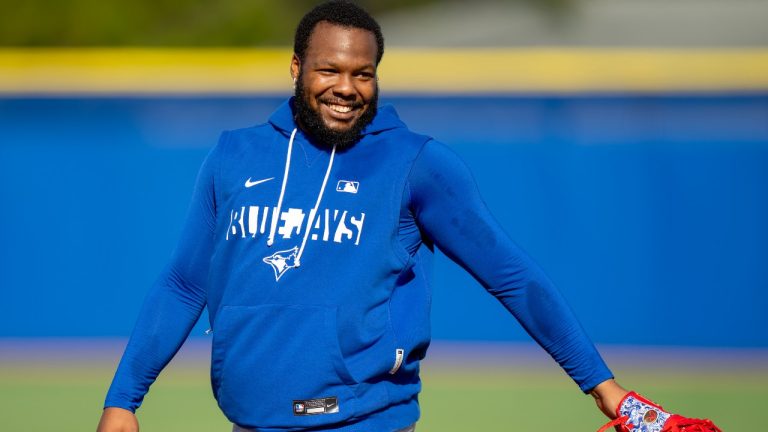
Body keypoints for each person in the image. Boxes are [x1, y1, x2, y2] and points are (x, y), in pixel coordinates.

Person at [99, 1, 677, 431]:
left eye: (363, 73)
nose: (346, 88)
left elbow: (513, 276)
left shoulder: (415, 163)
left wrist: (603, 388)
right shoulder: (234, 154)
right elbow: (183, 284)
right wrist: (124, 399)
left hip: (364, 420)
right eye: (329, 70)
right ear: (297, 67)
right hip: (251, 421)